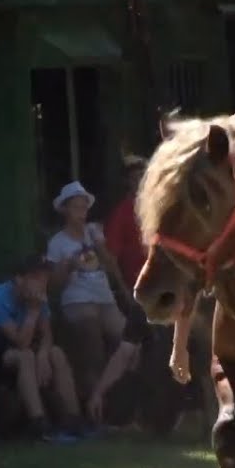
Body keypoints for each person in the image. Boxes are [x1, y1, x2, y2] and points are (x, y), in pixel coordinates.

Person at [0, 255, 84, 442]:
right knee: (25, 356)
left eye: (45, 278)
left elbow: (47, 335)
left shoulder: (39, 298)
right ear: (19, 279)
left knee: (56, 353)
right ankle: (38, 422)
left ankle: (73, 419)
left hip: (7, 348)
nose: (43, 284)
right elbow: (20, 342)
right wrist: (32, 311)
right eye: (37, 278)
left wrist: (43, 355)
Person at [45, 181, 129, 401]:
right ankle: (93, 399)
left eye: (84, 207)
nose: (81, 212)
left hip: (104, 298)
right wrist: (69, 266)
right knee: (91, 338)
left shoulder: (94, 233)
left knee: (128, 339)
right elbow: (53, 285)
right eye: (76, 207)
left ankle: (121, 396)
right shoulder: (57, 243)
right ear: (65, 210)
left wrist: (100, 245)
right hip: (77, 300)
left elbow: (111, 266)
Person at [103, 156, 149, 290]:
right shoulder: (121, 213)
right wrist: (124, 292)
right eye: (134, 178)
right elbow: (111, 257)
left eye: (143, 176)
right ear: (128, 181)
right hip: (138, 283)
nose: (139, 182)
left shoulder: (161, 207)